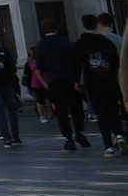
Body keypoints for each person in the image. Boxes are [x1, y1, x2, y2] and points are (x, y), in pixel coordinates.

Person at [33, 20, 87, 148]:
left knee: (61, 111)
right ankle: (79, 131)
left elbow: (41, 66)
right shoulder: (65, 42)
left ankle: (68, 138)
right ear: (57, 29)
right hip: (69, 78)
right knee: (76, 107)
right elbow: (75, 61)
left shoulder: (40, 45)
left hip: (54, 80)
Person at [74, 14, 123, 153]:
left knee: (101, 113)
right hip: (109, 80)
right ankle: (119, 135)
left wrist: (77, 81)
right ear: (96, 24)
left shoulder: (80, 43)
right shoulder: (106, 42)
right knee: (113, 110)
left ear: (83, 25)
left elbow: (77, 64)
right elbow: (115, 62)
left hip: (92, 81)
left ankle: (108, 146)